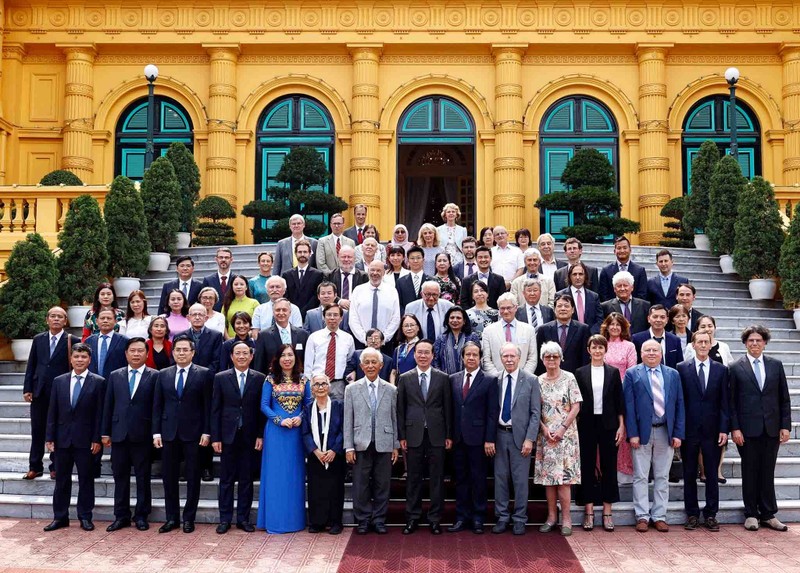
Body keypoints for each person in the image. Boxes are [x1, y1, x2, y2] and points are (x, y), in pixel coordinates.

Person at [729, 325, 792, 532]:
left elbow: (784, 398)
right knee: (750, 470)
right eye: (750, 340)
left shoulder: (776, 365)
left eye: (758, 340)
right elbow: (732, 402)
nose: (754, 343)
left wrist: (785, 425)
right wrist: (735, 428)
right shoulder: (735, 367)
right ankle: (751, 514)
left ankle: (768, 514)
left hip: (772, 428)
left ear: (765, 343)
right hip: (747, 430)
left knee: (767, 470)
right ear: (745, 343)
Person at [152, 336, 213, 534]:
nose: (181, 353)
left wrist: (206, 431)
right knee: (169, 478)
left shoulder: (204, 374)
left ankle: (189, 518)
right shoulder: (163, 374)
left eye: (185, 350)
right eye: (178, 349)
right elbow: (157, 406)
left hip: (194, 434)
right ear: (173, 352)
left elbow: (207, 407)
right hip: (169, 433)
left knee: (193, 477)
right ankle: (172, 518)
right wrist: (156, 432)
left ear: (192, 352)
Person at [624, 339, 685, 533]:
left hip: (665, 431)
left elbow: (679, 405)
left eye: (655, 350)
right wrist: (632, 433)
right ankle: (642, 515)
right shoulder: (632, 373)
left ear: (661, 353)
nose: (651, 353)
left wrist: (678, 433)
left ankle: (659, 516)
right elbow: (629, 407)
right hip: (641, 432)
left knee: (662, 476)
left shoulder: (673, 374)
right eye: (647, 350)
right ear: (641, 353)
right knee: (641, 476)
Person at [43, 343, 105, 532]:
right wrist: (49, 437)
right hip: (62, 439)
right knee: (62, 479)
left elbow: (99, 414)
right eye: (76, 356)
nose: (79, 360)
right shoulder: (59, 381)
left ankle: (85, 516)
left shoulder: (99, 382)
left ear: (89, 360)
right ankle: (60, 517)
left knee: (86, 479)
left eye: (83, 357)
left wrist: (97, 439)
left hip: (86, 441)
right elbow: (52, 410)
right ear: (71, 359)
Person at [101, 337, 158, 532]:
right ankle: (121, 516)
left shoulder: (155, 376)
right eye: (132, 350)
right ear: (126, 353)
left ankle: (141, 515)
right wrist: (105, 432)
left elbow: (156, 408)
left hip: (143, 435)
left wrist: (154, 433)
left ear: (147, 353)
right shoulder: (115, 375)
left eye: (140, 350)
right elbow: (108, 405)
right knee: (120, 478)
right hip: (119, 435)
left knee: (143, 477)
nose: (136, 354)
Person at [397, 339, 452, 535]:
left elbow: (448, 408)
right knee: (413, 478)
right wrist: (401, 435)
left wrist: (448, 434)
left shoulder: (443, 377)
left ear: (432, 355)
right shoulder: (405, 378)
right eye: (419, 352)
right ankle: (412, 518)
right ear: (414, 355)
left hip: (437, 435)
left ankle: (435, 519)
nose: (422, 356)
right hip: (413, 435)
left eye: (426, 352)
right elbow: (401, 409)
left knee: (437, 479)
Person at [211, 341, 266, 534]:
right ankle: (225, 519)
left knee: (246, 479)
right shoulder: (220, 378)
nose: (242, 356)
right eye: (238, 353)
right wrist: (215, 437)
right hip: (227, 435)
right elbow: (215, 409)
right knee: (226, 479)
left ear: (251, 356)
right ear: (231, 356)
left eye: (245, 353)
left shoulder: (260, 378)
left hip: (250, 436)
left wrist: (260, 435)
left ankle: (243, 518)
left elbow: (262, 411)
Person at [677, 330, 730, 532]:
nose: (702, 345)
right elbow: (679, 402)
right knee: (689, 473)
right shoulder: (681, 368)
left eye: (706, 342)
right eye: (699, 342)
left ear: (710, 345)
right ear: (693, 345)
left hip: (713, 430)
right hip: (689, 431)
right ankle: (691, 514)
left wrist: (724, 429)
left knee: (711, 474)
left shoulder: (721, 370)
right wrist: (679, 430)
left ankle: (710, 514)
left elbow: (725, 402)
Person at [257, 344, 312, 533]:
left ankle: (294, 521)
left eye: (290, 355)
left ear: (296, 358)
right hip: (276, 432)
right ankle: (274, 521)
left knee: (294, 476)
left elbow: (309, 404)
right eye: (283, 355)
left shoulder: (304, 380)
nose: (287, 358)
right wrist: (279, 420)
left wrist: (300, 418)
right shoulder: (270, 379)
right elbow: (264, 405)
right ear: (277, 359)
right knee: (275, 476)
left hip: (296, 433)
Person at [344, 348, 399, 535]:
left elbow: (394, 418)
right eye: (366, 362)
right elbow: (347, 420)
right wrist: (348, 446)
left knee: (382, 483)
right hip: (360, 443)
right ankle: (363, 519)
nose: (370, 366)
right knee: (360, 484)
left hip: (384, 442)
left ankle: (379, 519)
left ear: (381, 365)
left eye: (374, 362)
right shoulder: (351, 389)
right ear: (361, 366)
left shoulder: (391, 389)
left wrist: (395, 445)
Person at [23, 307, 80, 481]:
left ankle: (56, 467)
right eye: (53, 316)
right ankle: (35, 466)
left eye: (60, 317)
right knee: (37, 430)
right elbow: (31, 364)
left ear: (65, 321)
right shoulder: (38, 339)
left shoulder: (72, 340)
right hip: (39, 391)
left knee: (57, 430)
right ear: (47, 319)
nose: (56, 319)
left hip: (61, 393)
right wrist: (27, 388)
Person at [489, 343, 541, 535]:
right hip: (499, 435)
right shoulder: (495, 380)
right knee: (500, 479)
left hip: (521, 438)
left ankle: (519, 518)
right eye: (505, 356)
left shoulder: (531, 380)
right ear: (500, 358)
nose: (509, 360)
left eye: (512, 356)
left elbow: (536, 413)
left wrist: (530, 439)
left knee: (520, 481)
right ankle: (502, 517)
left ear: (519, 358)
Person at [574, 335, 624, 532]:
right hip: (586, 423)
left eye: (600, 348)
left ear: (605, 350)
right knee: (586, 465)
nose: (597, 351)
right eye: (593, 347)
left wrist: (621, 426)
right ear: (588, 350)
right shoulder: (580, 372)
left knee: (608, 466)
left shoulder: (613, 372)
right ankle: (589, 511)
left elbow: (619, 401)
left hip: (609, 423)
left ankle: (607, 511)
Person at [448, 342, 498, 534]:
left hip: (479, 440)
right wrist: (449, 436)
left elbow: (492, 413)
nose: (471, 358)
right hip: (458, 439)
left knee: (478, 479)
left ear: (480, 358)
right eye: (467, 354)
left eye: (474, 355)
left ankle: (478, 518)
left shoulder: (489, 380)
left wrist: (490, 439)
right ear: (462, 357)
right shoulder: (453, 379)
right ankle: (461, 517)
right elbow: (452, 409)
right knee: (460, 479)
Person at [535, 341, 582, 536]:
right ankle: (551, 517)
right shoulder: (537, 381)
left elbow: (576, 405)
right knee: (549, 480)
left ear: (560, 358)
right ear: (542, 359)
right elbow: (534, 409)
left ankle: (567, 520)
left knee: (564, 480)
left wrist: (562, 428)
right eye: (548, 356)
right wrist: (544, 429)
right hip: (546, 436)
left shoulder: (569, 378)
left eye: (555, 356)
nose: (551, 359)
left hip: (566, 436)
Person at [177, 303, 224, 482]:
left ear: (207, 317)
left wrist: (201, 376)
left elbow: (216, 361)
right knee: (185, 425)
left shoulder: (215, 336)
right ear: (188, 317)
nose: (197, 317)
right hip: (185, 386)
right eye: (194, 314)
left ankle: (206, 467)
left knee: (206, 424)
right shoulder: (181, 337)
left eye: (201, 314)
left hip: (207, 385)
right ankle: (185, 468)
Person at [302, 373, 346, 534]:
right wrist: (315, 451)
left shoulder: (339, 405)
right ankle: (317, 522)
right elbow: (305, 432)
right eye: (316, 385)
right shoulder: (307, 408)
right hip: (316, 454)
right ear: (312, 389)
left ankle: (335, 522)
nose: (320, 387)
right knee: (316, 488)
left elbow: (344, 429)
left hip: (334, 452)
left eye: (323, 384)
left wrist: (334, 450)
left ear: (329, 386)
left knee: (335, 488)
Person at [600, 313, 637, 481]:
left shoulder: (629, 346)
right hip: (602, 393)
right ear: (606, 326)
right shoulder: (601, 345)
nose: (614, 327)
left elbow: (632, 371)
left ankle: (623, 471)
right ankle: (602, 470)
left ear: (623, 327)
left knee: (622, 429)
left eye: (618, 324)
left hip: (622, 392)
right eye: (611, 324)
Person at [304, 303, 356, 400]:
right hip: (318, 384)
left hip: (339, 384)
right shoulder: (314, 337)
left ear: (341, 318)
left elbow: (350, 362)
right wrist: (309, 385)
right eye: (329, 315)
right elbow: (308, 365)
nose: (332, 318)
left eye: (335, 315)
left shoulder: (348, 338)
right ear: (324, 317)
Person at [481, 293, 537, 377]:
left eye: (509, 308)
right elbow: (486, 359)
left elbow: (532, 358)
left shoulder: (529, 330)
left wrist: (523, 377)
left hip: (523, 380)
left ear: (516, 308)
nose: (506, 311)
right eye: (502, 308)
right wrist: (497, 378)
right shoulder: (488, 331)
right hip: (497, 381)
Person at [535, 294, 591, 376]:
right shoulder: (543, 330)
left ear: (573, 310)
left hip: (575, 376)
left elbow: (585, 358)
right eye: (559, 306)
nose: (563, 309)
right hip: (549, 376)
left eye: (566, 306)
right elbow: (539, 359)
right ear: (554, 310)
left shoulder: (583, 329)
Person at [349, 260, 401, 347]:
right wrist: (365, 339)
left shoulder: (392, 291)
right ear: (368, 271)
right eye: (372, 270)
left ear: (384, 272)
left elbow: (395, 318)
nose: (375, 273)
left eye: (378, 270)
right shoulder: (358, 290)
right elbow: (353, 319)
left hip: (385, 344)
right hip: (361, 343)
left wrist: (383, 338)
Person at [253, 298, 309, 377]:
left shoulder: (303, 335)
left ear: (290, 312)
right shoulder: (263, 335)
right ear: (273, 312)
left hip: (298, 382)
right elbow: (259, 364)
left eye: (284, 310)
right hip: (273, 381)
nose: (281, 313)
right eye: (278, 310)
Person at [282, 239, 325, 318]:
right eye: (300, 252)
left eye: (305, 252)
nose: (302, 254)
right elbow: (285, 295)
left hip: (310, 314)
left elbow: (316, 296)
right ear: (295, 254)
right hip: (291, 315)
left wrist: (305, 311)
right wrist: (294, 311)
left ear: (310, 254)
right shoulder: (286, 275)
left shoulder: (318, 274)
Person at [557, 262, 603, 334]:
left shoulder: (594, 296)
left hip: (590, 337)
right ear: (570, 276)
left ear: (585, 276)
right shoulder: (560, 295)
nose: (578, 277)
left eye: (580, 274)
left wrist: (589, 333)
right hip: (569, 336)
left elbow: (599, 319)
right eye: (574, 274)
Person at [598, 236, 648, 302]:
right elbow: (603, 295)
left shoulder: (640, 271)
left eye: (625, 248)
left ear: (630, 250)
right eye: (619, 248)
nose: (622, 250)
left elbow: (642, 294)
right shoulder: (606, 271)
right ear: (614, 251)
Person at [632, 305, 683, 369]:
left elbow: (679, 364)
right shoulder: (637, 339)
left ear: (667, 320)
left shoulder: (675, 340)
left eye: (662, 317)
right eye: (655, 317)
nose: (658, 320)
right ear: (648, 319)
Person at [433, 306, 479, 375]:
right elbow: (435, 360)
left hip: (467, 380)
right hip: (445, 381)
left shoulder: (472, 337)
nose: (455, 320)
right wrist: (441, 377)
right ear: (447, 321)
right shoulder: (441, 338)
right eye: (452, 318)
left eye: (458, 318)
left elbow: (478, 359)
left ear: (464, 321)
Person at [87, 308, 130, 380]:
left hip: (116, 382)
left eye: (109, 318)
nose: (105, 321)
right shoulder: (89, 341)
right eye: (102, 318)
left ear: (115, 321)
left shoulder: (124, 341)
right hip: (93, 383)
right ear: (97, 321)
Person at [326, 245, 368, 312]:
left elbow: (366, 296)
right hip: (335, 312)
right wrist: (339, 301)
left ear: (355, 258)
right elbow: (326, 293)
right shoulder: (329, 275)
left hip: (357, 312)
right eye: (343, 257)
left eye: (349, 257)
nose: (346, 259)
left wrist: (353, 304)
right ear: (338, 258)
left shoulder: (364, 277)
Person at [396, 246, 432, 314]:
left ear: (423, 260)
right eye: (412, 258)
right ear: (408, 260)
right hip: (407, 319)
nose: (415, 261)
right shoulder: (400, 282)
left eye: (418, 258)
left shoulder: (431, 281)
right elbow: (398, 304)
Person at [391, 314, 423, 384]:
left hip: (417, 385)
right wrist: (393, 387)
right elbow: (394, 372)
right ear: (402, 329)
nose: (409, 328)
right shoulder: (399, 349)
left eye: (412, 325)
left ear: (418, 327)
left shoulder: (423, 346)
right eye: (406, 326)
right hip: (401, 386)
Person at [202, 247, 235, 311]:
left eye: (226, 257)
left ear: (231, 260)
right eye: (221, 257)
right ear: (216, 259)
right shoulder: (208, 280)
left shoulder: (236, 279)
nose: (223, 260)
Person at [436, 202, 467, 266]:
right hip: (444, 259)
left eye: (453, 212)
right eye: (448, 212)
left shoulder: (463, 230)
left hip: (459, 259)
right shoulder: (438, 229)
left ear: (456, 214)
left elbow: (465, 246)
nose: (451, 213)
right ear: (445, 215)